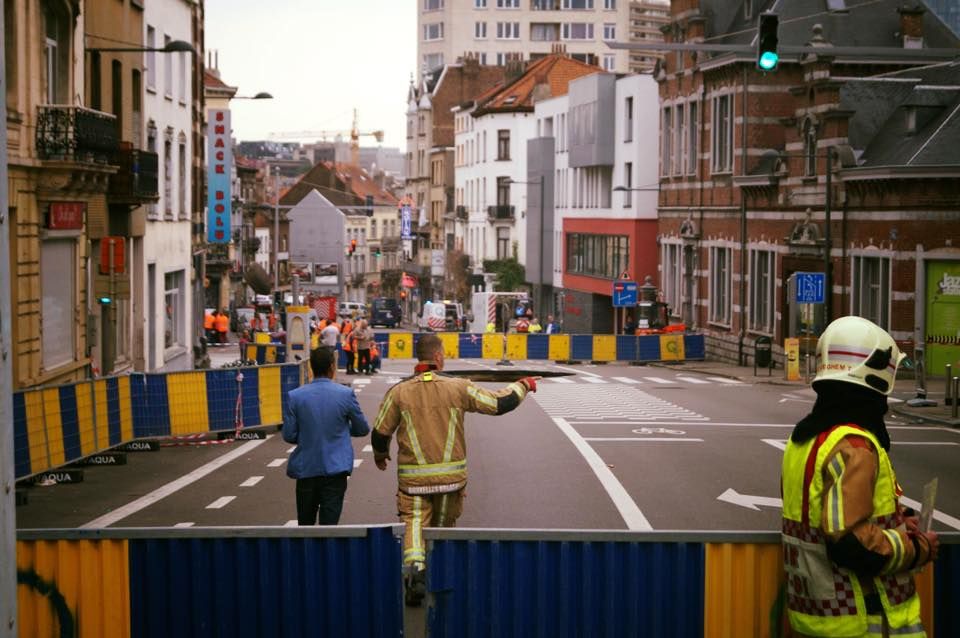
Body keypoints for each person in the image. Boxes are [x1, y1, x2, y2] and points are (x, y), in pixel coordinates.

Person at [781, 316, 938, 638]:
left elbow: (823, 519)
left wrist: (897, 522)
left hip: (814, 617)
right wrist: (918, 547)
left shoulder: (805, 442)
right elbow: (852, 545)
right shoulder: (854, 447)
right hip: (865, 620)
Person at [371, 334, 538, 606]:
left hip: (413, 483)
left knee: (414, 524)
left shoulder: (399, 392)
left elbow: (380, 432)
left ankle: (415, 574)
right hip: (451, 481)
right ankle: (438, 577)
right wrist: (523, 385)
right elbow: (498, 404)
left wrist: (380, 455)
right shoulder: (459, 387)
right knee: (442, 529)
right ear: (438, 357)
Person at [282, 347, 370, 525]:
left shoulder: (295, 396)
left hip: (306, 469)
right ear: (332, 366)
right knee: (330, 527)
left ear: (311, 367)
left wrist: (309, 433)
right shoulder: (345, 394)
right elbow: (362, 429)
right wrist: (342, 430)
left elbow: (289, 435)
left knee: (305, 524)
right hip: (335, 469)